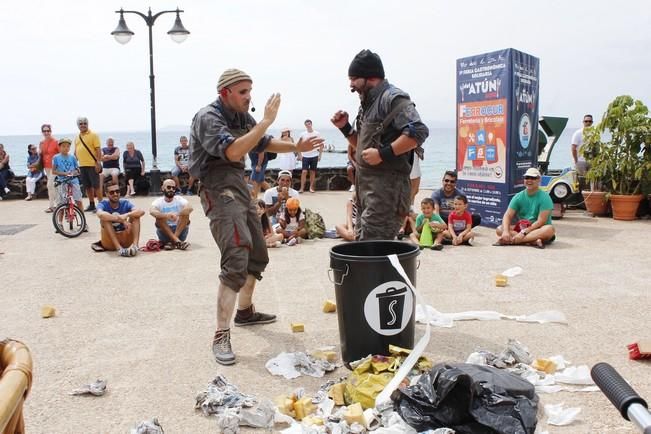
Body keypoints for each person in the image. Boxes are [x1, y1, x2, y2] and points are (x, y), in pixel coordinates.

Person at [188, 68, 323, 365]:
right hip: (215, 186)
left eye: (250, 90)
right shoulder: (208, 117)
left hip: (237, 184)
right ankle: (221, 334)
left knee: (258, 253)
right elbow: (235, 151)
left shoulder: (241, 116)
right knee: (236, 254)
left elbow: (262, 142)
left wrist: (295, 147)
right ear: (226, 93)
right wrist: (264, 120)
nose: (249, 97)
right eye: (243, 92)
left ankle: (245, 312)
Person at [331, 49, 429, 240]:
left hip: (387, 192)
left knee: (374, 249)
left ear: (370, 77)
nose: (351, 84)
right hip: (366, 192)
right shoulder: (367, 103)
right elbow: (364, 147)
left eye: (354, 78)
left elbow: (418, 132)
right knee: (364, 244)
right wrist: (345, 129)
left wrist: (382, 154)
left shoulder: (392, 97)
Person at [495, 167, 556, 248]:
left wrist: (523, 233)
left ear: (539, 180)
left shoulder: (545, 197)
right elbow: (508, 215)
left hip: (538, 228)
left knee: (549, 229)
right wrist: (506, 231)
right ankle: (532, 241)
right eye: (527, 177)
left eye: (533, 178)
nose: (529, 180)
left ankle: (515, 241)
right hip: (523, 228)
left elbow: (541, 221)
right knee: (499, 229)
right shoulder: (518, 196)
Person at [95, 182, 144, 257]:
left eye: (117, 191)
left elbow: (141, 211)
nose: (115, 194)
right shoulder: (103, 204)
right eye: (112, 192)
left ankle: (135, 246)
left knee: (135, 216)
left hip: (125, 240)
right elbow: (100, 214)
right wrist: (122, 220)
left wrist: (126, 215)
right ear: (107, 194)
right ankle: (119, 249)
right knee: (105, 219)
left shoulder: (125, 203)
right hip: (109, 242)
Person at [149, 179, 193, 250]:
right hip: (164, 233)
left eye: (173, 188)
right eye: (169, 187)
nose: (171, 189)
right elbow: (152, 211)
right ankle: (177, 242)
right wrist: (166, 216)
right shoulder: (158, 201)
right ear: (163, 188)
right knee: (159, 217)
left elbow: (190, 208)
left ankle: (173, 241)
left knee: (185, 214)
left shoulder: (179, 199)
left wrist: (177, 214)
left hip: (180, 231)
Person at [74, 116, 101, 212]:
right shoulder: (77, 137)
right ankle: (92, 204)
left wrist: (98, 162)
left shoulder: (93, 135)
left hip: (92, 164)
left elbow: (98, 149)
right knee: (87, 186)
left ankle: (101, 205)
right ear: (78, 125)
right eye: (81, 124)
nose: (83, 125)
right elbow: (76, 151)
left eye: (85, 123)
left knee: (96, 186)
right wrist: (74, 163)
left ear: (87, 124)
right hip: (82, 165)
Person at [52, 138, 83, 212]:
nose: (66, 148)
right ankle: (59, 222)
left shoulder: (72, 157)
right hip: (62, 181)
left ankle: (83, 220)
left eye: (68, 146)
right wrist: (64, 173)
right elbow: (54, 171)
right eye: (63, 146)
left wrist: (75, 172)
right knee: (61, 203)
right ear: (59, 147)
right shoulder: (56, 157)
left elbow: (77, 169)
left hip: (73, 180)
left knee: (78, 200)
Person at [298, 119, 323, 193]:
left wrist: (320, 155)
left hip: (314, 155)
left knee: (312, 172)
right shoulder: (302, 134)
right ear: (305, 125)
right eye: (306, 124)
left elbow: (321, 144)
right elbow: (298, 145)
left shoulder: (317, 133)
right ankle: (302, 188)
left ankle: (311, 188)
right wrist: (299, 155)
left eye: (309, 124)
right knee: (304, 172)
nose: (308, 125)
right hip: (305, 156)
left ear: (311, 124)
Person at [39, 124, 59, 212]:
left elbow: (60, 155)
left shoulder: (56, 142)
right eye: (44, 131)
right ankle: (54, 205)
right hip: (46, 167)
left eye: (48, 131)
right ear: (42, 132)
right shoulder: (42, 143)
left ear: (51, 131)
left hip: (55, 167)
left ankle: (54, 205)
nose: (46, 132)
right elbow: (41, 155)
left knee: (50, 185)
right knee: (53, 187)